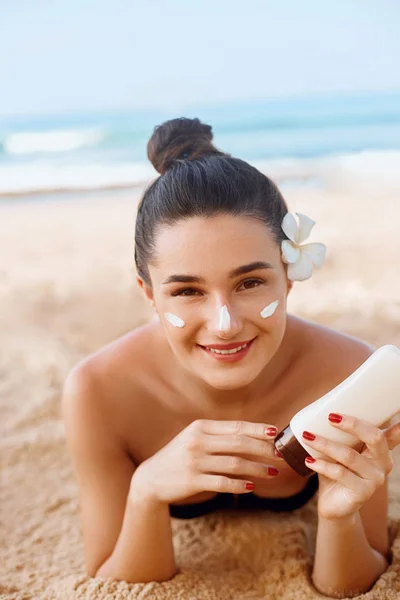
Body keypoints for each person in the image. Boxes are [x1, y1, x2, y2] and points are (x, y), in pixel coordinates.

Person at [62, 117, 399, 596]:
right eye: (186, 290)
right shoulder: (99, 391)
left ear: (289, 274)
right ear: (149, 294)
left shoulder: (347, 374)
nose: (224, 323)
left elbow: (353, 582)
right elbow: (115, 580)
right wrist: (145, 493)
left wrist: (338, 516)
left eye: (250, 283)